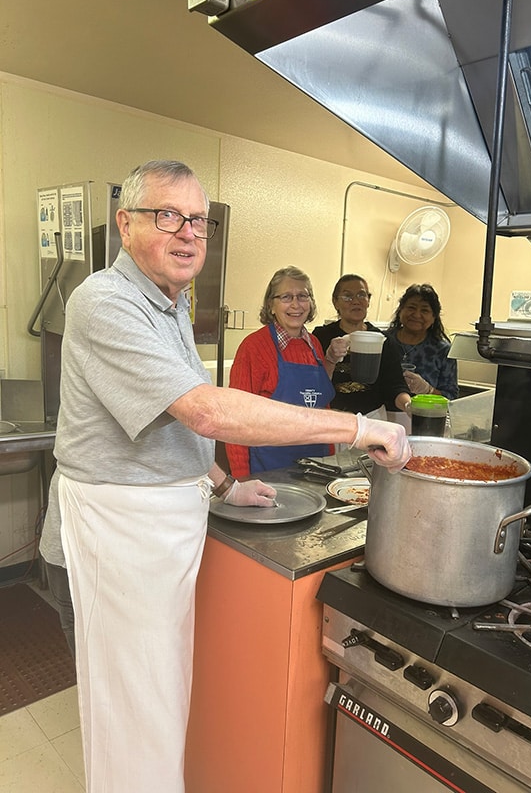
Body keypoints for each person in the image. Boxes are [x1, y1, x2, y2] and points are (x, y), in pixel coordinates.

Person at [38, 159, 411, 793]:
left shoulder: (172, 305)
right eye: (168, 216)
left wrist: (222, 484)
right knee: (131, 717)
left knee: (161, 703)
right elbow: (207, 409)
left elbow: (176, 421)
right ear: (125, 224)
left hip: (160, 531)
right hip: (115, 532)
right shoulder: (104, 300)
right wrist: (356, 428)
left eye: (199, 222)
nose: (188, 234)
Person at [226, 266, 348, 477]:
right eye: (286, 297)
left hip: (316, 466)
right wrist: (242, 479)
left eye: (302, 296)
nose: (295, 304)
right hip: (269, 471)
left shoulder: (315, 345)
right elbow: (236, 420)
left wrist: (329, 459)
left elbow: (321, 405)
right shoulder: (253, 347)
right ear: (271, 305)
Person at [312, 273, 411, 415]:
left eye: (361, 295)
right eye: (347, 297)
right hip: (332, 416)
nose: (355, 301)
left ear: (368, 301)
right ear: (335, 302)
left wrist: (408, 405)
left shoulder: (383, 339)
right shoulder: (321, 337)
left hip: (373, 417)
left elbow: (395, 385)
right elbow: (312, 382)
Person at [386, 283, 459, 400]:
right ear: (400, 310)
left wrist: (428, 390)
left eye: (424, 310)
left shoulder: (442, 351)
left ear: (434, 317)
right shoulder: (384, 341)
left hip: (424, 415)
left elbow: (451, 398)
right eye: (411, 308)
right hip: (383, 413)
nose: (416, 315)